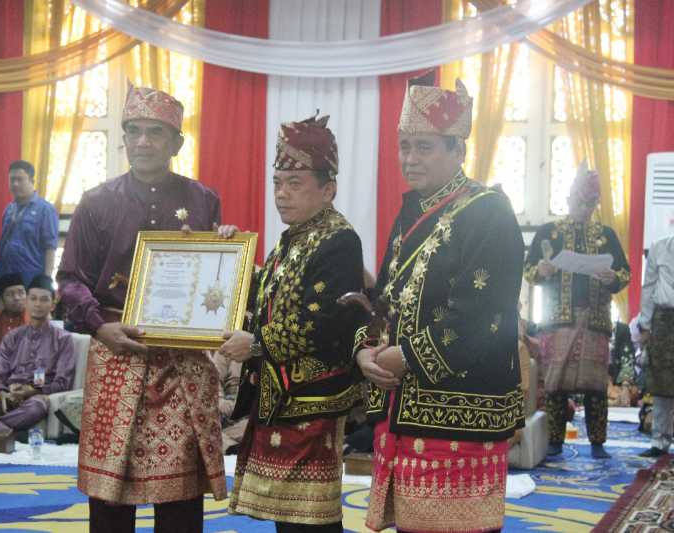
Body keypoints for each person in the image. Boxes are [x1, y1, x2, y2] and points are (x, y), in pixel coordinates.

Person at [355, 80, 525, 533]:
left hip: (460, 411)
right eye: (404, 146)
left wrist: (408, 356)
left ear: (457, 149)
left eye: (424, 147)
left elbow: (485, 314)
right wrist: (365, 350)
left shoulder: (489, 210)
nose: (409, 158)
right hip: (402, 405)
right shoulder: (411, 210)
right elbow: (385, 300)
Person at [57, 84, 225, 533]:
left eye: (156, 132)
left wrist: (226, 256)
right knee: (111, 493)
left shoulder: (202, 200)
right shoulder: (96, 201)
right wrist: (98, 326)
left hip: (181, 361)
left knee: (180, 496)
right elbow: (70, 280)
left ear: (177, 143)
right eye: (135, 132)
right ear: (125, 138)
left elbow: (211, 279)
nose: (144, 142)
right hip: (117, 353)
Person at [222, 114, 366, 532]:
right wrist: (230, 259)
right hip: (282, 395)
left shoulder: (338, 239)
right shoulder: (295, 236)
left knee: (311, 520)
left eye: (295, 183)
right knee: (289, 519)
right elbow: (268, 301)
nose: (281, 194)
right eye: (277, 183)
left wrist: (256, 343)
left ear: (328, 189)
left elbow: (323, 321)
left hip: (312, 399)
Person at [525, 163, 630, 459]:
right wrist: (542, 270)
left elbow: (624, 273)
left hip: (595, 320)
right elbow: (529, 271)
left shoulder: (606, 235)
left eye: (590, 203)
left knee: (595, 386)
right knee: (556, 384)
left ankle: (598, 442)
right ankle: (555, 440)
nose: (584, 208)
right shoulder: (550, 232)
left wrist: (614, 278)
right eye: (579, 202)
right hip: (558, 321)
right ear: (569, 199)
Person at [0, 275, 75, 432]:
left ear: (52, 304)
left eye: (44, 300)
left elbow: (63, 383)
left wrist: (31, 391)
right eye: (33, 299)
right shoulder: (13, 337)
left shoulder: (63, 339)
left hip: (35, 397)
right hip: (7, 396)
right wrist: (2, 393)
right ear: (27, 302)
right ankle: (6, 433)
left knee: (36, 407)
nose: (38, 304)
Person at [0, 160, 59, 303]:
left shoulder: (45, 209)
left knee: (28, 322)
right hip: (6, 279)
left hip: (31, 280)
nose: (15, 184)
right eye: (12, 180)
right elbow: (2, 246)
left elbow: (50, 248)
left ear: (31, 181)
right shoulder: (9, 209)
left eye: (20, 180)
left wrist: (46, 282)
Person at [637, 234, 674, 457]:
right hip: (663, 322)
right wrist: (645, 324)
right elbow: (649, 287)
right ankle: (659, 441)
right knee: (662, 385)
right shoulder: (659, 248)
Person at [209, 350, 247, 454]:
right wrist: (222, 403)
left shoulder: (265, 348)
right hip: (226, 413)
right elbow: (213, 382)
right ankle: (231, 449)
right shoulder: (227, 348)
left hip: (251, 418)